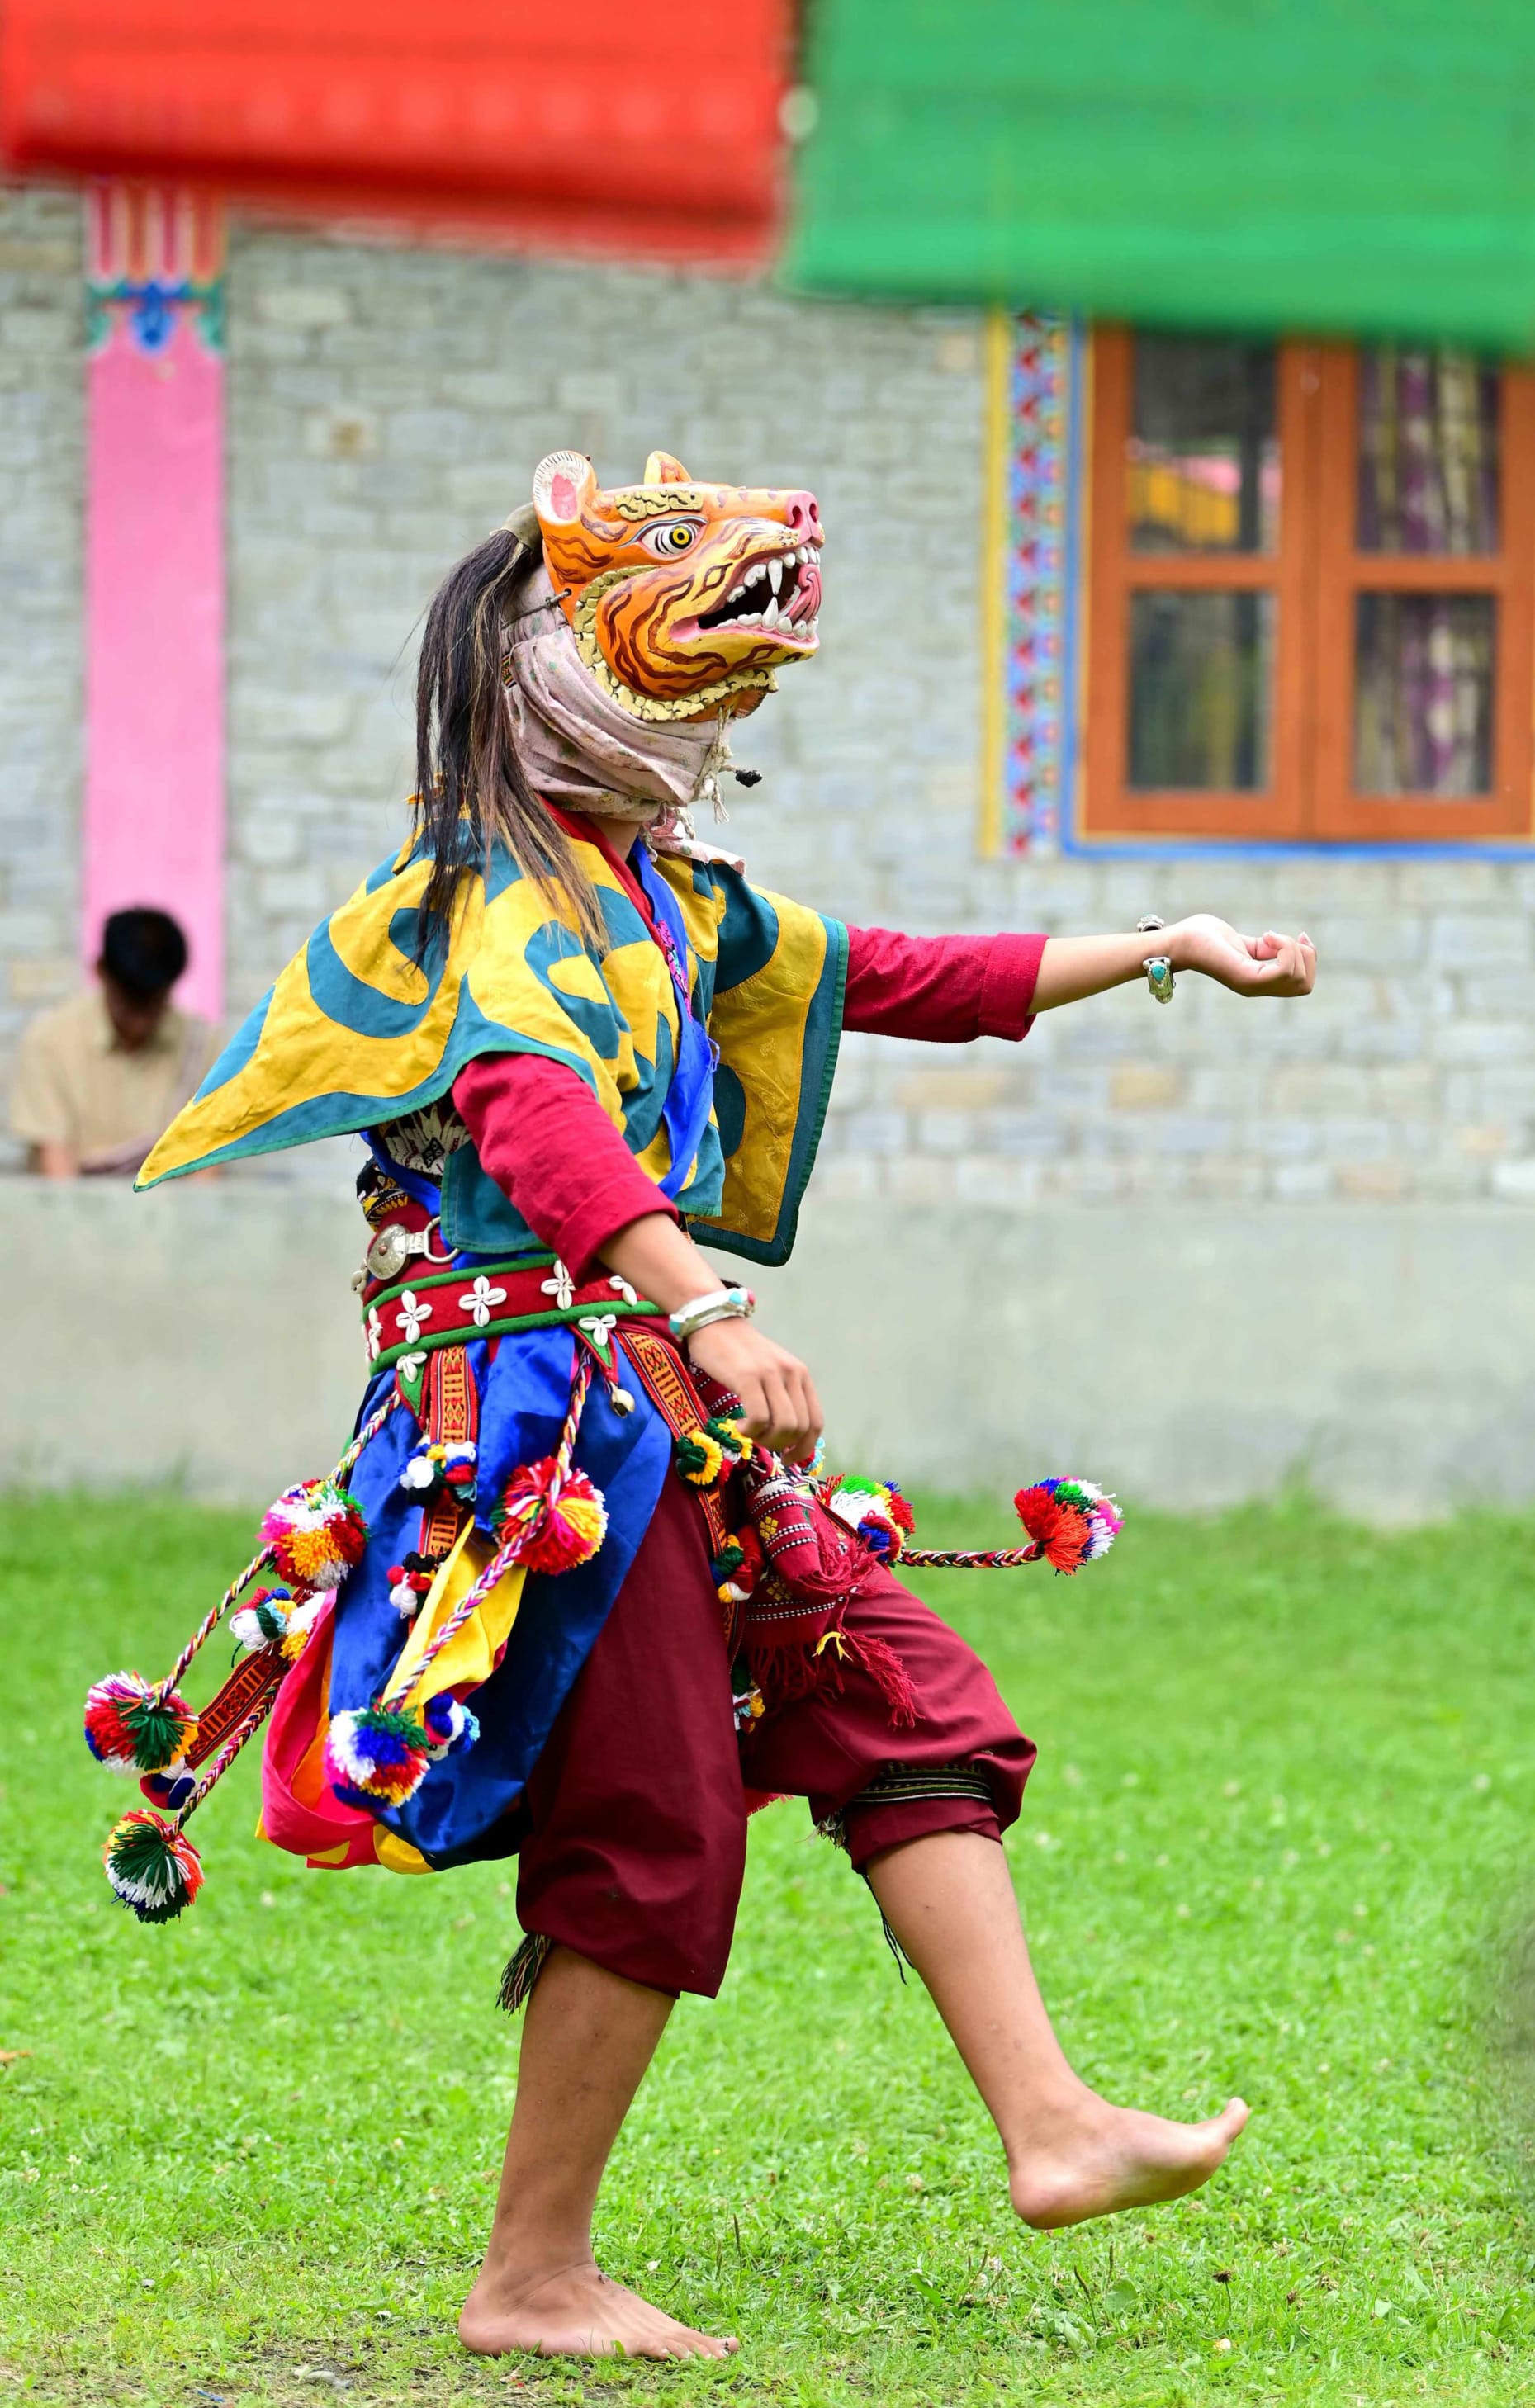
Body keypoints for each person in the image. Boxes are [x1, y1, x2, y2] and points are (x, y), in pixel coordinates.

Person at [121, 450, 1316, 2363]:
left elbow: (900, 978)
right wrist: (707, 1301)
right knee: (658, 1821)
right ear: (546, 650)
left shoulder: (658, 898)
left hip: (649, 1410)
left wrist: (1162, 947)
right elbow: (531, 1110)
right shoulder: (490, 896)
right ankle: (530, 2280)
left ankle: (1053, 2124)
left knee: (893, 1691)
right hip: (541, 1437)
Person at [10, 906, 217, 1178]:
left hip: (175, 1217)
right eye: (131, 1002)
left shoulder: (201, 1046)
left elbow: (204, 1175)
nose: (141, 1022)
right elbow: (58, 1183)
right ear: (100, 971)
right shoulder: (49, 1044)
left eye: (153, 1004)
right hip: (76, 1213)